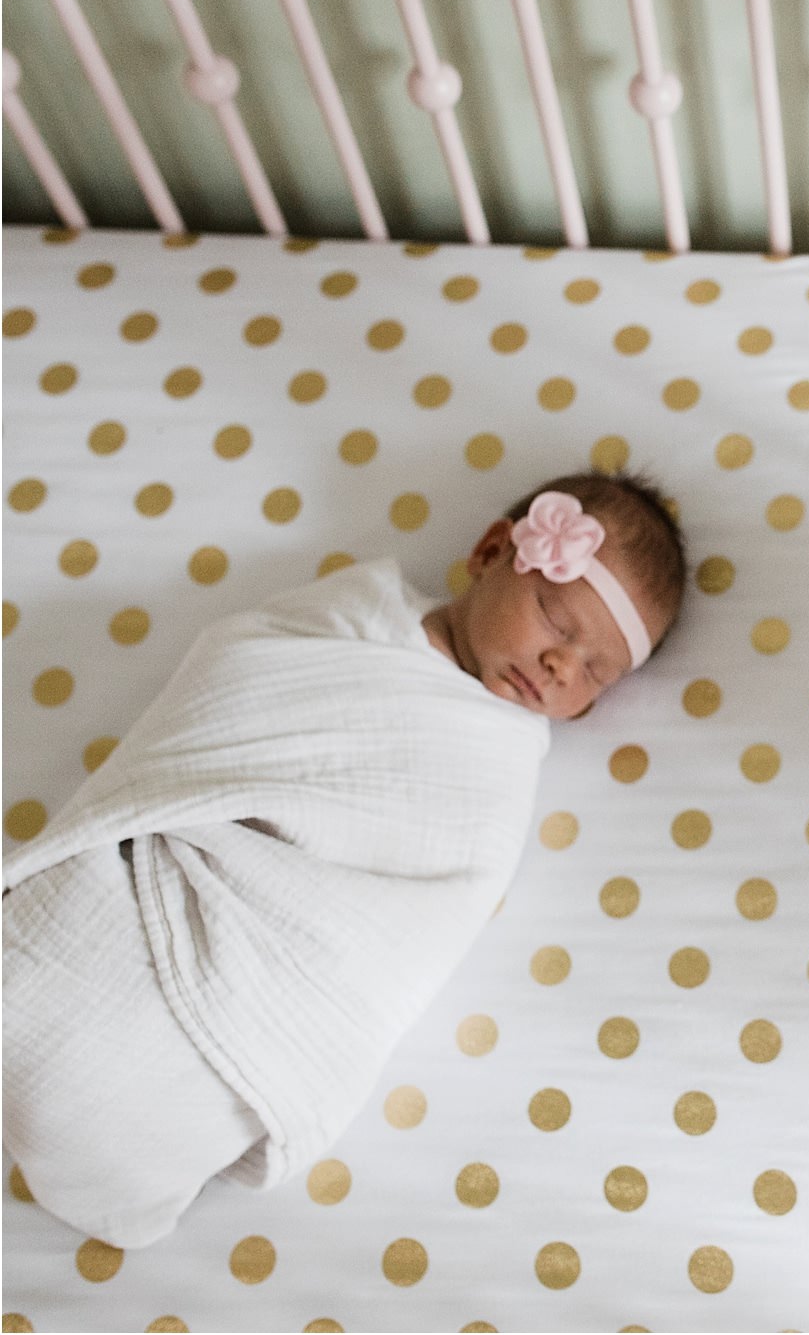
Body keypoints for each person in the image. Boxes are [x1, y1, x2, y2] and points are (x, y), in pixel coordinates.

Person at [2, 470, 686, 1248]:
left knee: (144, 1096)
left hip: (283, 961)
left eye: (595, 672)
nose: (563, 665)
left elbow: (429, 900)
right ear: (495, 550)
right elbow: (235, 665)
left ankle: (107, 1117)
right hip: (181, 851)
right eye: (555, 620)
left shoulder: (497, 759)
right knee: (63, 936)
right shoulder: (356, 612)